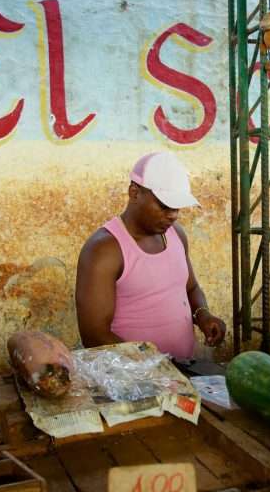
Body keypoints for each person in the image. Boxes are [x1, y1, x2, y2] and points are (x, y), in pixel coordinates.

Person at [75, 151, 226, 359]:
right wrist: (152, 365)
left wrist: (203, 315)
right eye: (164, 206)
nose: (173, 215)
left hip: (183, 370)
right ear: (134, 193)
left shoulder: (175, 234)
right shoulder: (104, 250)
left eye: (177, 208)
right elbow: (94, 335)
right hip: (136, 380)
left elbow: (190, 288)